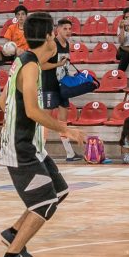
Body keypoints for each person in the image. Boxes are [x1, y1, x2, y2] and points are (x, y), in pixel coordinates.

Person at [0, 12, 86, 257]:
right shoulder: (31, 66)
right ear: (49, 37)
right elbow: (33, 111)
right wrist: (66, 129)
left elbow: (3, 101)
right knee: (45, 203)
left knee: (59, 191)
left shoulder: (23, 61)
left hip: (31, 145)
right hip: (20, 146)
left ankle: (13, 233)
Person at [41, 18, 82, 162]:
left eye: (70, 29)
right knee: (46, 119)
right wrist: (59, 63)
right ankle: (40, 151)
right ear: (57, 30)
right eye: (65, 28)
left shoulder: (67, 44)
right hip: (49, 85)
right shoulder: (52, 44)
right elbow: (42, 65)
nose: (68, 31)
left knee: (63, 119)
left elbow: (63, 66)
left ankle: (70, 153)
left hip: (62, 85)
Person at [0, 5, 29, 71]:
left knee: (19, 52)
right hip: (10, 52)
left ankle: (16, 77)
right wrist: (5, 48)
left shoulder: (30, 29)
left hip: (23, 53)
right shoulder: (11, 27)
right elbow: (7, 42)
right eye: (18, 14)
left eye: (23, 14)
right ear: (16, 16)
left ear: (26, 16)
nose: (20, 16)